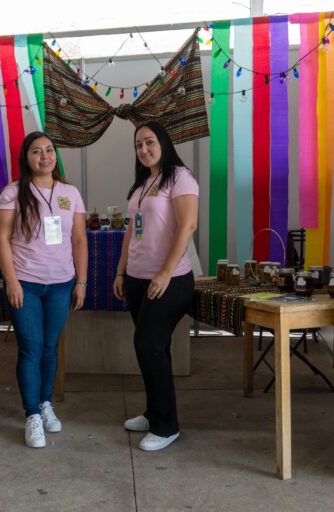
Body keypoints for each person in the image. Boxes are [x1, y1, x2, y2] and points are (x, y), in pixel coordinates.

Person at [0, 131, 88, 448]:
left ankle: (45, 403)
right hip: (26, 282)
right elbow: (1, 239)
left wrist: (81, 281)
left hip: (61, 283)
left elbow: (79, 240)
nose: (45, 156)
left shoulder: (70, 193)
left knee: (50, 347)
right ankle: (32, 414)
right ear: (27, 158)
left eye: (49, 150)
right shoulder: (13, 192)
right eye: (37, 151)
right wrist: (12, 281)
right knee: (31, 348)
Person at [113, 121, 199, 452]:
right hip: (137, 278)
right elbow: (130, 231)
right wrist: (121, 272)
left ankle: (166, 427)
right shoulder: (142, 184)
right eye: (138, 145)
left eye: (149, 142)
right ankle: (154, 413)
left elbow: (188, 225)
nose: (144, 149)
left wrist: (164, 273)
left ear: (163, 142)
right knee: (155, 349)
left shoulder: (180, 177)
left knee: (148, 345)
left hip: (170, 279)